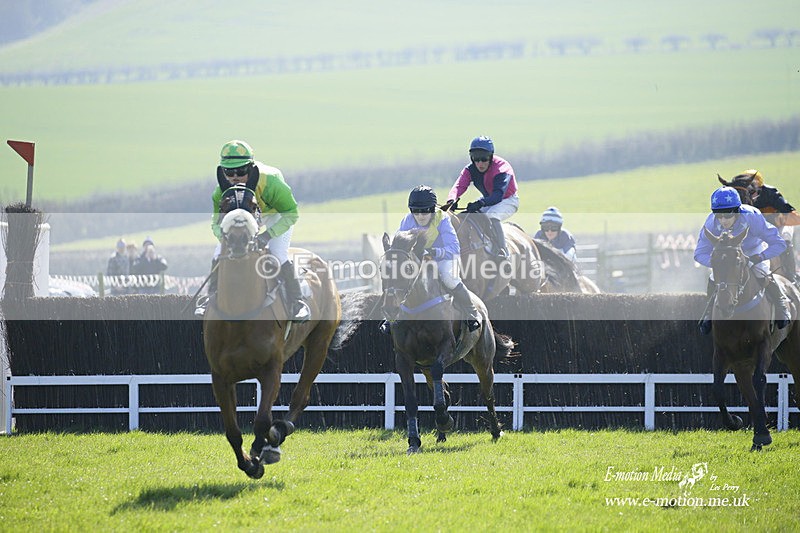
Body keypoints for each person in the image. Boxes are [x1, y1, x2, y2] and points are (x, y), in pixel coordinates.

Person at [202, 139, 308, 322]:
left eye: (241, 171)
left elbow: (292, 213)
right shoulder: (220, 192)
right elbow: (215, 224)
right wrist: (223, 238)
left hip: (275, 214)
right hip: (243, 220)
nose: (235, 177)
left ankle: (297, 302)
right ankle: (210, 298)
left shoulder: (271, 182)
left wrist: (268, 235)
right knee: (218, 252)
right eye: (229, 172)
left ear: (250, 168)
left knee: (278, 253)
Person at [380, 185, 480, 335]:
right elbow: (399, 247)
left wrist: (434, 252)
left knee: (449, 278)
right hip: (419, 260)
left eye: (425, 211)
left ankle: (472, 313)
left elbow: (453, 248)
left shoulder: (443, 220)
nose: (420, 216)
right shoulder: (407, 221)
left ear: (433, 209)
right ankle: (391, 317)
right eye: (416, 211)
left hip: (444, 257)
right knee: (400, 278)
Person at [694, 186, 790, 335]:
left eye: (727, 215)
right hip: (726, 257)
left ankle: (781, 304)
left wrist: (759, 257)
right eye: (718, 215)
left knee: (761, 272)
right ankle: (708, 312)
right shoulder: (711, 223)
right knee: (714, 277)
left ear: (737, 211)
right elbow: (699, 253)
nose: (723, 220)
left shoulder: (752, 217)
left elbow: (779, 243)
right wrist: (718, 264)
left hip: (753, 250)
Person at [442, 136, 519, 257]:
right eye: (476, 159)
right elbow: (459, 186)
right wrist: (451, 200)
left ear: (491, 156)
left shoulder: (502, 169)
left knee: (492, 216)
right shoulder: (470, 169)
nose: (480, 163)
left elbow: (498, 196)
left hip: (508, 200)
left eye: (484, 158)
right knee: (467, 216)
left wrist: (480, 203)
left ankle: (503, 250)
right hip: (489, 200)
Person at [737, 169, 800, 286]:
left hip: (779, 224)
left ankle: (791, 274)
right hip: (761, 229)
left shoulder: (770, 193)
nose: (750, 190)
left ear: (759, 186)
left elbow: (787, 209)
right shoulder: (742, 196)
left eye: (752, 186)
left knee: (785, 237)